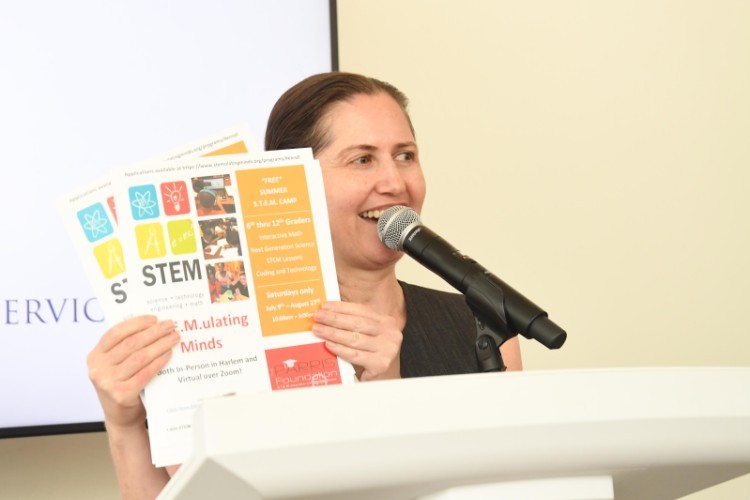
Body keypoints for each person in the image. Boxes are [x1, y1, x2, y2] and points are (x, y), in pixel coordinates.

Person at [86, 71, 522, 498]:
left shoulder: (480, 328)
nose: (394, 183)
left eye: (405, 155)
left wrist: (385, 389)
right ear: (292, 180)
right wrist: (123, 425)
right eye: (362, 159)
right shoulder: (234, 342)